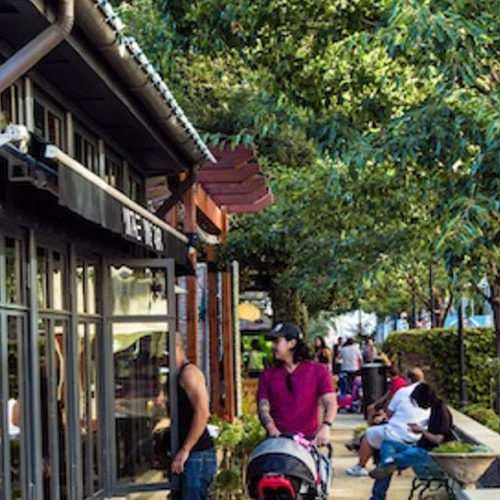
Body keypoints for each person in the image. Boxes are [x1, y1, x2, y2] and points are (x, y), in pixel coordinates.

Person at [368, 383, 454, 500]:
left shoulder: (441, 412)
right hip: (418, 447)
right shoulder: (434, 408)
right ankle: (389, 463)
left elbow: (438, 440)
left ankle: (388, 466)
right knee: (388, 443)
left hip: (430, 454)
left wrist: (422, 431)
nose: (418, 406)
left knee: (399, 458)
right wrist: (418, 428)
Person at [257, 322, 338, 446]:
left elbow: (331, 402)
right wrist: (272, 430)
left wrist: (326, 426)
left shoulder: (318, 371)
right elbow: (263, 407)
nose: (273, 346)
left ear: (292, 343)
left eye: (277, 342)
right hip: (277, 440)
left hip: (307, 440)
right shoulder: (267, 375)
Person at [346, 367, 428, 477]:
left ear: (408, 379)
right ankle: (388, 463)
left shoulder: (403, 391)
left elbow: (389, 413)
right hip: (421, 434)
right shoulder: (428, 393)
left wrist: (382, 414)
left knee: (369, 434)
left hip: (400, 433)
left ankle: (360, 466)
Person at [172, 335, 216, 500]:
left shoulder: (189, 373)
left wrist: (186, 449)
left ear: (177, 347)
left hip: (197, 454)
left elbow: (203, 412)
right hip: (188, 453)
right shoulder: (175, 375)